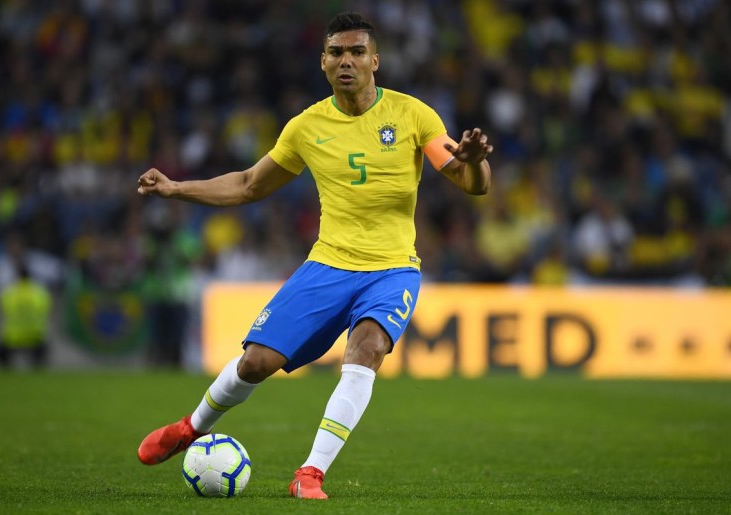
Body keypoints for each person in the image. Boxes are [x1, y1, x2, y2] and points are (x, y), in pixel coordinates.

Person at [135, 12, 492, 500]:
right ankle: (189, 428)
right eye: (337, 53)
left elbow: (470, 182)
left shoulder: (413, 115)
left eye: (357, 52)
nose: (347, 61)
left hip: (392, 270)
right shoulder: (306, 127)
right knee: (255, 363)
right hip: (327, 265)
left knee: (368, 349)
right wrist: (176, 188)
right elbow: (248, 185)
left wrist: (476, 163)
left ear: (375, 61)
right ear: (323, 62)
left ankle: (310, 473)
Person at [0, 263, 52, 369]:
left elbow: (3, 308)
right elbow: (45, 309)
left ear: (18, 277)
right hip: (35, 334)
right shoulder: (40, 292)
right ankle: (37, 365)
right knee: (44, 344)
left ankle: (5, 368)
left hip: (13, 335)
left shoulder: (9, 292)